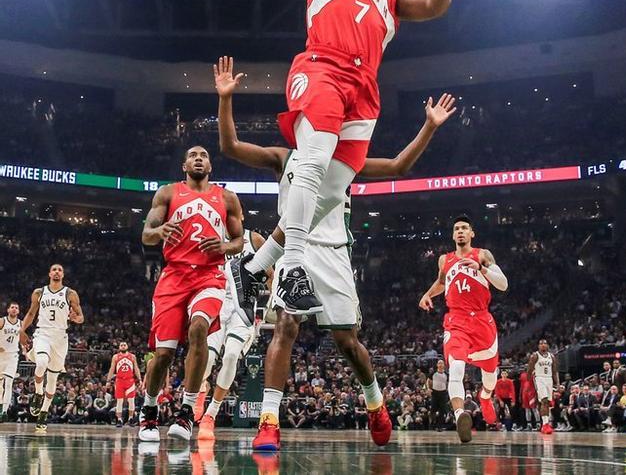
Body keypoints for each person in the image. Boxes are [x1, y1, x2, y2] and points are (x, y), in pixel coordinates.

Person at [256, 0, 455, 317]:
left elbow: (433, 7)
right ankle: (292, 268)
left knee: (332, 185)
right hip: (321, 68)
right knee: (314, 158)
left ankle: (253, 267)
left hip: (363, 92)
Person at [214, 56, 456, 451]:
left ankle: (375, 401)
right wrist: (225, 99)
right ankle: (269, 421)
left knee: (348, 343)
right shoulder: (284, 157)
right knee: (286, 327)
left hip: (335, 253)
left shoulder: (348, 160)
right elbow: (230, 145)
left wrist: (429, 126)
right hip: (295, 250)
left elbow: (398, 166)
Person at [138, 145, 245, 442]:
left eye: (204, 155)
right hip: (173, 276)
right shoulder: (168, 194)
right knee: (163, 355)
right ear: (184, 164)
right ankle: (148, 411)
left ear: (210, 165)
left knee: (199, 328)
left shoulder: (226, 198)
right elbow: (146, 233)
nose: (199, 158)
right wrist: (159, 232)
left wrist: (223, 247)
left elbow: (238, 241)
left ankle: (185, 412)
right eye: (193, 155)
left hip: (209, 276)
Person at [419, 217, 508, 443]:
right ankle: (460, 415)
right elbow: (442, 282)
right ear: (453, 235)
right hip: (456, 321)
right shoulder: (444, 260)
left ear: (472, 233)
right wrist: (428, 294)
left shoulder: (482, 255)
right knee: (456, 368)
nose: (460, 231)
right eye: (456, 228)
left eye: (464, 228)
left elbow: (503, 284)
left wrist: (482, 269)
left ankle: (485, 398)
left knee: (490, 379)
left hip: (481, 321)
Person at [196, 224, 268, 439]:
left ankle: (211, 414)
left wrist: (271, 304)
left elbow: (271, 273)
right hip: (215, 302)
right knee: (206, 359)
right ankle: (201, 387)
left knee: (231, 355)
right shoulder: (210, 237)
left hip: (242, 306)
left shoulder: (254, 239)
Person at [19, 264, 84, 434]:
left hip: (60, 337)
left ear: (63, 274)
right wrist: (21, 330)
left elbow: (81, 317)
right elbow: (31, 314)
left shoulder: (70, 293)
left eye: (60, 270)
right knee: (41, 362)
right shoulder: (39, 292)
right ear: (49, 273)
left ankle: (44, 412)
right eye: (54, 269)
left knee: (53, 379)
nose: (57, 272)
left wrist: (75, 318)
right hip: (43, 333)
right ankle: (38, 394)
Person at [107, 341, 141, 427]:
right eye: (121, 345)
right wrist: (108, 380)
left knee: (131, 400)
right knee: (119, 401)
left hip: (130, 381)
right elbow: (112, 369)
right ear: (119, 347)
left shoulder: (132, 356)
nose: (122, 346)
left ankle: (130, 419)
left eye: (124, 345)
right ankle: (119, 420)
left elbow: (136, 368)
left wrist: (140, 379)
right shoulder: (115, 357)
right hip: (119, 381)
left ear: (127, 346)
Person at [527, 339, 558, 435]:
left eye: (545, 343)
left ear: (548, 345)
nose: (543, 345)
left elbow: (554, 371)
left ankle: (545, 424)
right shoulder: (535, 356)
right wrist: (529, 383)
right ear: (538, 346)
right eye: (541, 343)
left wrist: (557, 383)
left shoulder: (552, 356)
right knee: (544, 400)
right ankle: (545, 425)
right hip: (539, 378)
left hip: (549, 379)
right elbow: (529, 369)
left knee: (548, 403)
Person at [0, 302, 21, 422]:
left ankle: (4, 411)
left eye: (16, 308)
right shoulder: (2, 321)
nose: (14, 309)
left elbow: (22, 339)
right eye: (12, 307)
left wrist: (25, 349)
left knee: (8, 384)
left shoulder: (21, 324)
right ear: (8, 310)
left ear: (18, 311)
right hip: (0, 356)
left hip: (12, 356)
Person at [428, 359, 449, 430]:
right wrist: (429, 389)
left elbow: (447, 383)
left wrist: (447, 390)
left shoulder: (446, 374)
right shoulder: (433, 373)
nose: (440, 365)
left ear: (444, 365)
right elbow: (429, 381)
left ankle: (440, 426)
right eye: (439, 363)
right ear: (437, 365)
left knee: (442, 410)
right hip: (435, 393)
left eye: (442, 363)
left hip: (443, 393)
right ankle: (432, 425)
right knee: (433, 410)